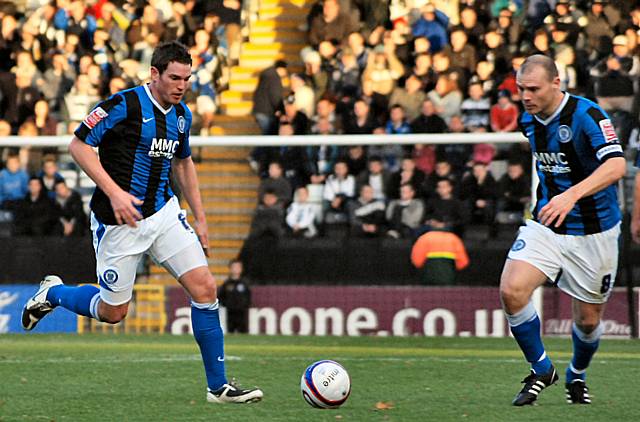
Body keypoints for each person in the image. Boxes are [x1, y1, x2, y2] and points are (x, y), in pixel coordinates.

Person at [20, 41, 263, 404]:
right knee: (113, 312)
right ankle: (51, 293)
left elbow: (183, 162)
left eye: (188, 78)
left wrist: (201, 217)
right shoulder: (125, 104)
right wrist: (115, 193)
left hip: (164, 215)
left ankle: (218, 387)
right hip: (119, 223)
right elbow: (78, 146)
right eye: (175, 77)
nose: (182, 85)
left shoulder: (182, 115)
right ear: (155, 74)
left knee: (205, 289)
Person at [500, 55, 625, 406]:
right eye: (521, 89)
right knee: (511, 290)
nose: (525, 96)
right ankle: (541, 368)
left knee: (587, 322)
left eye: (533, 89)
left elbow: (617, 165)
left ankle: (576, 373)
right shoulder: (529, 119)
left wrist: (571, 194)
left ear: (557, 83)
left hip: (595, 233)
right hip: (549, 225)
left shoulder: (588, 116)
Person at [217, 259, 251, 334]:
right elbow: (220, 296)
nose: (235, 269)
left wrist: (246, 305)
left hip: (242, 312)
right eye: (234, 267)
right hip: (230, 312)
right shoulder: (227, 283)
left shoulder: (244, 283)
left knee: (243, 332)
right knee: (230, 331)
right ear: (230, 269)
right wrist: (225, 304)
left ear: (241, 269)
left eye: (237, 267)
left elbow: (248, 296)